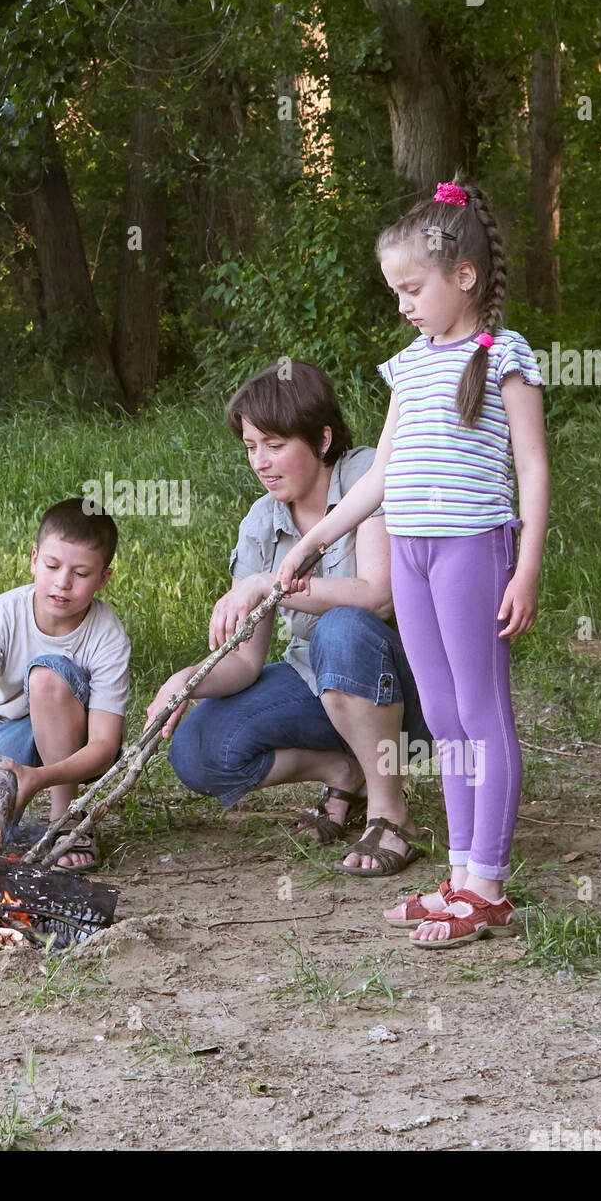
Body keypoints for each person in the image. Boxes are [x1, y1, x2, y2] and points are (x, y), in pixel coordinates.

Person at [279, 178, 549, 946]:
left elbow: (531, 470)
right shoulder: (409, 365)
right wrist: (309, 540)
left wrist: (523, 567)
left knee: (479, 712)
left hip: (473, 552)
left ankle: (487, 886)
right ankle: (460, 873)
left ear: (462, 277)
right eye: (393, 289)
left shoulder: (504, 358)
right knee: (443, 717)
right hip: (413, 557)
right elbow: (380, 480)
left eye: (410, 287)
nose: (401, 302)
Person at [147, 361, 432, 876]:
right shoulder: (262, 521)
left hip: (411, 690)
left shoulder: (367, 474)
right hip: (322, 685)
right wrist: (186, 681)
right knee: (197, 749)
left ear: (322, 439)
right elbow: (247, 663)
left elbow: (377, 597)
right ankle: (344, 770)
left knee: (341, 628)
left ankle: (391, 812)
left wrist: (267, 586)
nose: (260, 461)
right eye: (251, 447)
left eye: (274, 445)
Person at [0, 498, 130, 870]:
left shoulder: (107, 634)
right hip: (8, 730)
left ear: (104, 578)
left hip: (78, 742)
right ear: (34, 559)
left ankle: (65, 820)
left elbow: (105, 746)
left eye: (82, 573)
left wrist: (38, 778)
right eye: (53, 566)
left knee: (47, 675)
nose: (63, 583)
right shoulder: (1, 615)